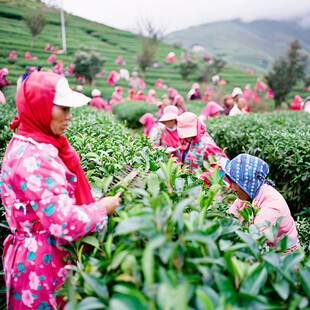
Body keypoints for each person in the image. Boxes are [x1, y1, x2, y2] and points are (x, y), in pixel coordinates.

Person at [0, 72, 122, 309]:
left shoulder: (23, 141)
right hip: (44, 265)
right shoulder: (37, 158)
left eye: (69, 109)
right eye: (62, 109)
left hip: (30, 256)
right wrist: (102, 208)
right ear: (39, 108)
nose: (68, 117)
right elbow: (63, 222)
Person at [225, 154, 299, 250]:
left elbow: (253, 239)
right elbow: (228, 219)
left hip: (282, 258)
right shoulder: (249, 195)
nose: (233, 188)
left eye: (236, 182)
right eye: (231, 181)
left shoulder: (273, 205)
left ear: (249, 182)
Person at [176, 112, 228, 179]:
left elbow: (222, 164)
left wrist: (204, 177)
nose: (187, 136)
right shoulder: (187, 141)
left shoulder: (207, 144)